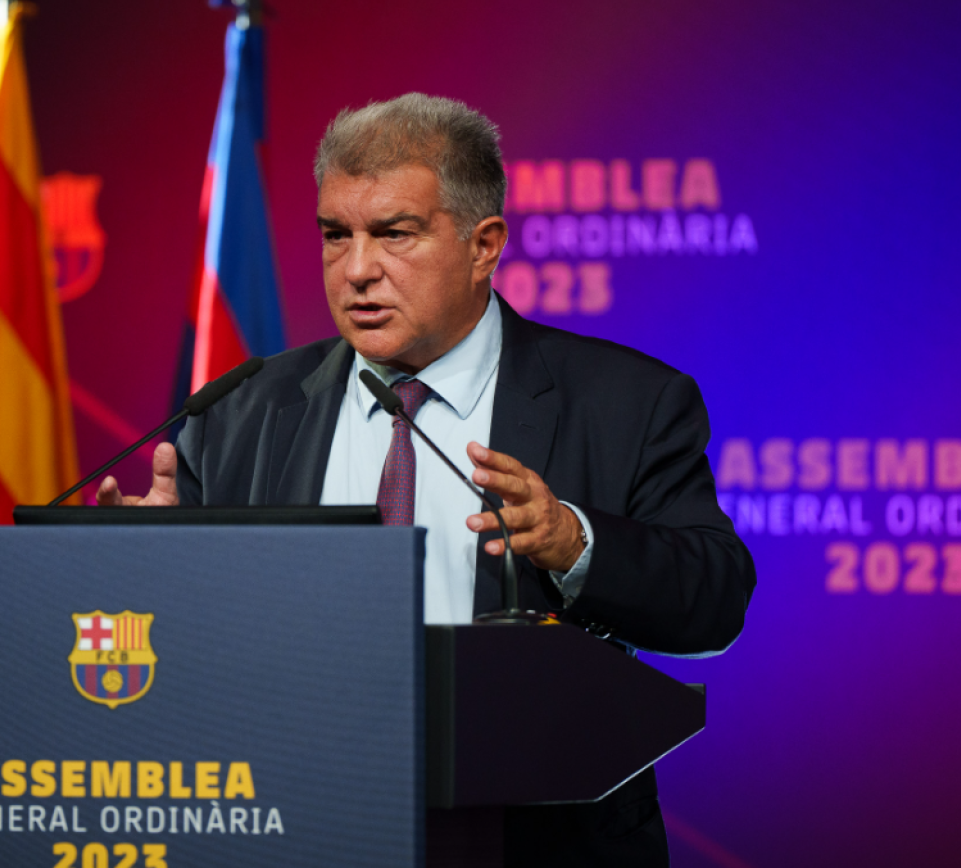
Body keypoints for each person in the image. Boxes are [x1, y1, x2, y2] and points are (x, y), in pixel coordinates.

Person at [99, 93, 755, 866]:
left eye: (394, 235)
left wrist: (572, 541)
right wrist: (153, 573)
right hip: (296, 829)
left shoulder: (626, 402)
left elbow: (713, 601)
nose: (357, 270)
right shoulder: (242, 409)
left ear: (484, 245)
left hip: (532, 843)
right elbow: (196, 657)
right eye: (335, 235)